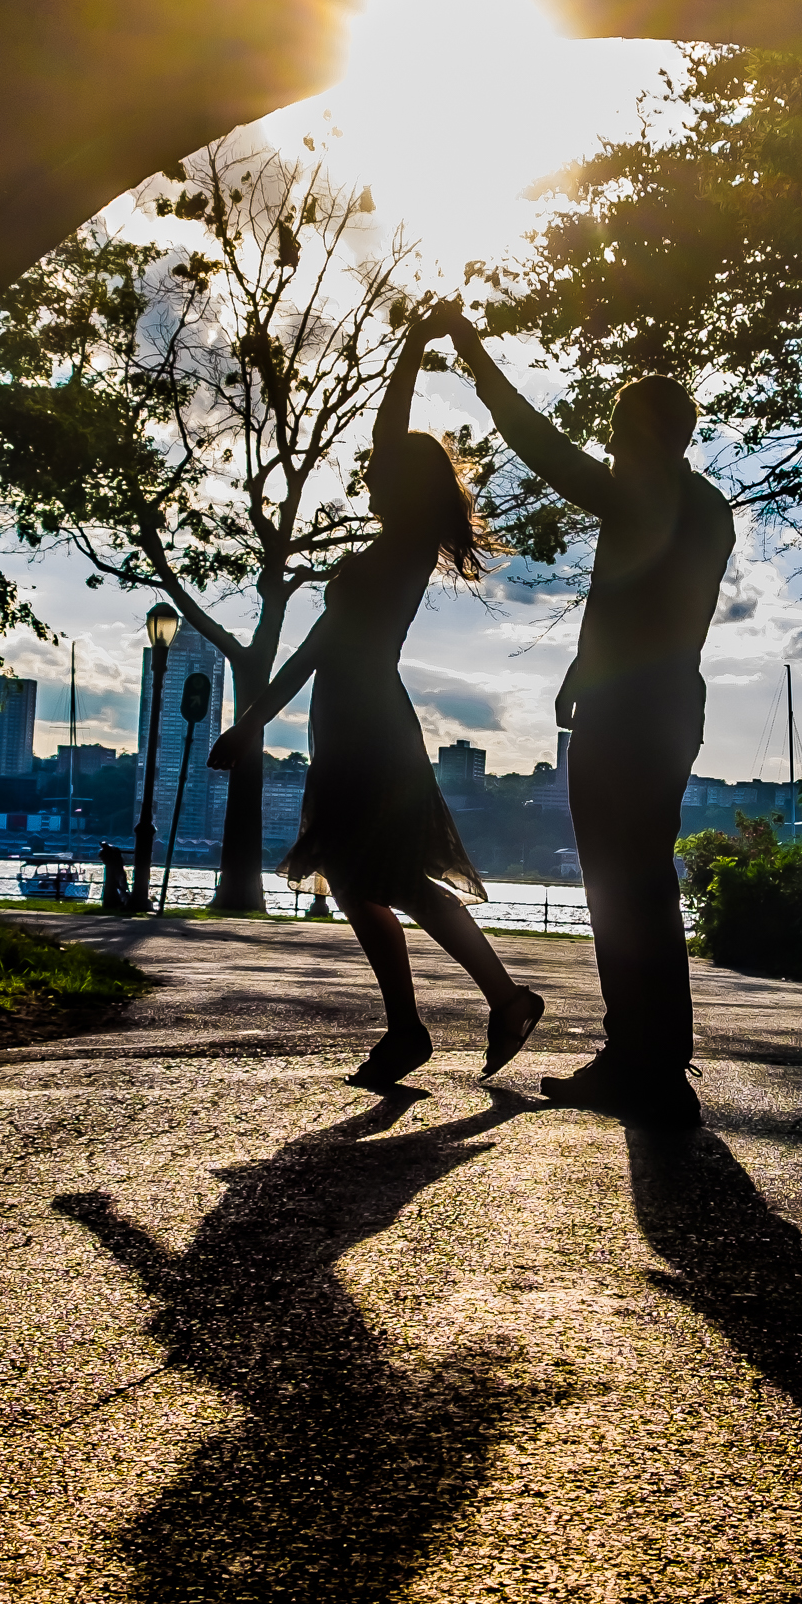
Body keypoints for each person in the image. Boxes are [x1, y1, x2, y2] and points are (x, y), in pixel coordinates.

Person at [208, 311, 544, 1090]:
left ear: (401, 479)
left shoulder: (401, 546)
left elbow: (320, 648)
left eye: (377, 469)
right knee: (369, 884)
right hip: (355, 733)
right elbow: (323, 647)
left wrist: (251, 722)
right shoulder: (394, 544)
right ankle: (439, 1021)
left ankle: (478, 1008)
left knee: (387, 881)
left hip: (368, 738)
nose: (365, 474)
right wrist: (413, 348)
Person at [436, 309, 734, 1126]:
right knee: (645, 880)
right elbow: (650, 603)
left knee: (615, 881)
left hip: (629, 715)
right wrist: (583, 661)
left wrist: (471, 351)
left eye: (614, 432)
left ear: (640, 436)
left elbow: (540, 444)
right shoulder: (707, 507)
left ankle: (637, 1058)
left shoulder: (643, 487)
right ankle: (655, 1054)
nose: (605, 447)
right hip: (673, 703)